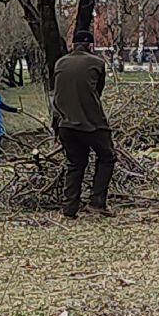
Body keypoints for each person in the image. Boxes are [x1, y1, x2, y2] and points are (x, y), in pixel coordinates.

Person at [51, 30, 115, 218]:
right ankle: (97, 202)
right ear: (90, 45)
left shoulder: (60, 62)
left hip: (64, 124)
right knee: (107, 157)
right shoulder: (97, 63)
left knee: (75, 163)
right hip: (91, 123)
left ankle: (69, 208)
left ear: (73, 44)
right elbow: (97, 91)